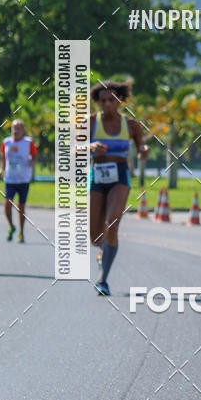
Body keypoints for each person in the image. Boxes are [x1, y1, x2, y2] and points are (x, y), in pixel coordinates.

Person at [89, 81, 148, 296]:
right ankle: (102, 251)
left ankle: (103, 279)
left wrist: (143, 151)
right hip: (97, 175)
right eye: (103, 100)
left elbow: (141, 147)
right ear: (98, 102)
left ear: (120, 101)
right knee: (95, 236)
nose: (107, 104)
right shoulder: (91, 122)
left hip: (120, 176)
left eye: (112, 100)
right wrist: (89, 147)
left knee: (111, 224)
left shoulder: (131, 125)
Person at [0, 119, 38, 243]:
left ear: (23, 130)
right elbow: (2, 156)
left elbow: (34, 155)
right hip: (10, 179)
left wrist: (32, 163)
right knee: (7, 205)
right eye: (14, 128)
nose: (16, 130)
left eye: (19, 128)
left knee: (21, 207)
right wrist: (1, 168)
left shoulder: (28, 142)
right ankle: (11, 226)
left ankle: (21, 232)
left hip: (23, 180)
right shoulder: (6, 142)